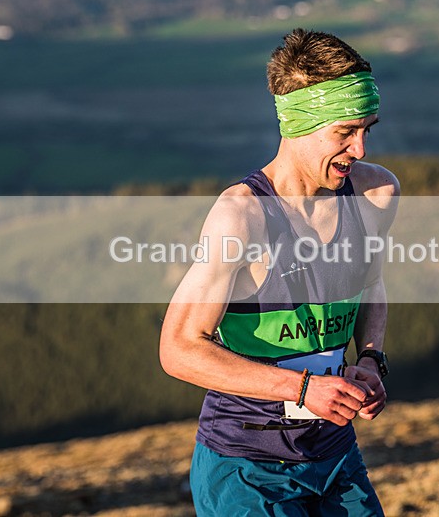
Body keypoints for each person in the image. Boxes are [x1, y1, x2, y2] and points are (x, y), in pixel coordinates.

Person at [159, 28, 399, 516]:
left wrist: (371, 359)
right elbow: (178, 349)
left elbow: (371, 284)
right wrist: (304, 389)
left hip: (334, 456)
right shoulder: (242, 216)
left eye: (367, 129)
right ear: (299, 124)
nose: (361, 150)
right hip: (246, 467)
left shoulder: (376, 195)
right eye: (344, 132)